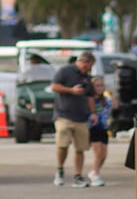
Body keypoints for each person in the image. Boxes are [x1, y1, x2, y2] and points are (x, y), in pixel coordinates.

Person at [49, 51, 96, 188]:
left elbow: (90, 96)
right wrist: (71, 90)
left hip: (81, 116)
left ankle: (78, 176)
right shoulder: (65, 71)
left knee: (80, 148)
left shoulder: (87, 77)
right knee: (63, 143)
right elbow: (54, 86)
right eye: (89, 66)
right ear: (83, 62)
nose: (89, 69)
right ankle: (59, 170)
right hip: (63, 114)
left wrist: (93, 113)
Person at [86, 76, 114, 187]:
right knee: (97, 152)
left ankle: (94, 171)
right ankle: (95, 174)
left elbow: (114, 106)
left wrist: (111, 94)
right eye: (97, 85)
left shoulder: (105, 100)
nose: (100, 88)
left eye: (102, 85)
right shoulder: (90, 99)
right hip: (93, 127)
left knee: (103, 154)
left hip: (103, 127)